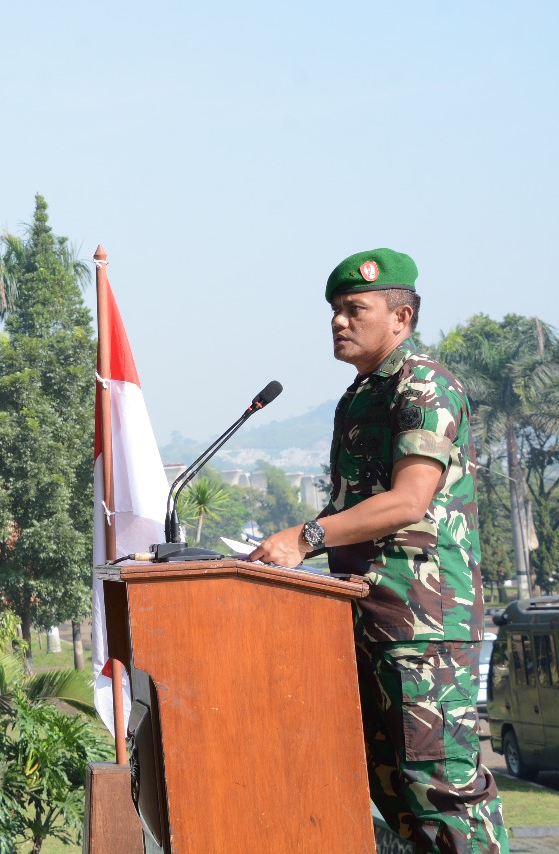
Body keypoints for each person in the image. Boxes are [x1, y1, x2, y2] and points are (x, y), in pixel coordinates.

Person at [248, 249, 507, 853]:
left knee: (443, 792)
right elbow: (352, 509)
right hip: (369, 615)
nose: (338, 321)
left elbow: (407, 501)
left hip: (424, 620)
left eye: (354, 309)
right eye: (334, 310)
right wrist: (280, 548)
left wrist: (306, 539)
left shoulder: (425, 385)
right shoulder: (361, 396)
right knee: (399, 797)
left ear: (401, 316)